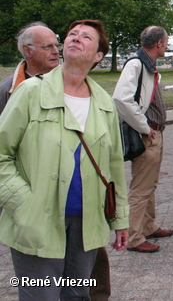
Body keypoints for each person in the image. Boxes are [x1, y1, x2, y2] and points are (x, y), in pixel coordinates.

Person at [0, 20, 129, 301]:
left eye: (86, 37)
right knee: (41, 296)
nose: (76, 38)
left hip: (86, 224)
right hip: (37, 221)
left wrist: (120, 218)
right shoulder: (30, 92)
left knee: (76, 295)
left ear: (98, 56)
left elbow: (115, 166)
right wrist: (23, 203)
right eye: (72, 34)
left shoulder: (104, 103)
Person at [113, 26, 173, 254]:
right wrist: (144, 126)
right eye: (166, 42)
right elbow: (120, 98)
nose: (167, 45)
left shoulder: (146, 65)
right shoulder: (137, 64)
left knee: (150, 184)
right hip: (146, 135)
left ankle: (147, 226)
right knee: (141, 188)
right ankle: (134, 237)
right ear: (158, 43)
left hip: (153, 133)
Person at [0, 22, 59, 111]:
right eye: (48, 46)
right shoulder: (6, 91)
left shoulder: (72, 84)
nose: (56, 51)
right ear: (28, 51)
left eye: (57, 46)